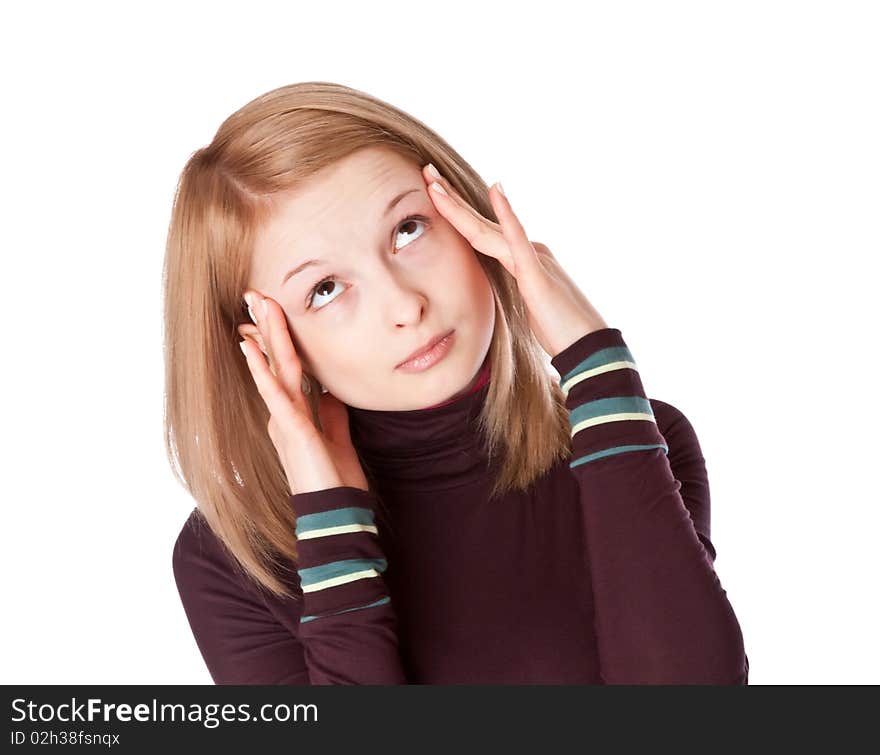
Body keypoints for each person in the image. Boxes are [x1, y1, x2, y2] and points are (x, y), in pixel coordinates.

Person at [166, 81, 749, 684]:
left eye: (408, 229)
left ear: (467, 218)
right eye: (325, 289)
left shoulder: (634, 438)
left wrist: (597, 366)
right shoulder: (232, 564)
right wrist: (333, 534)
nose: (404, 305)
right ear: (263, 344)